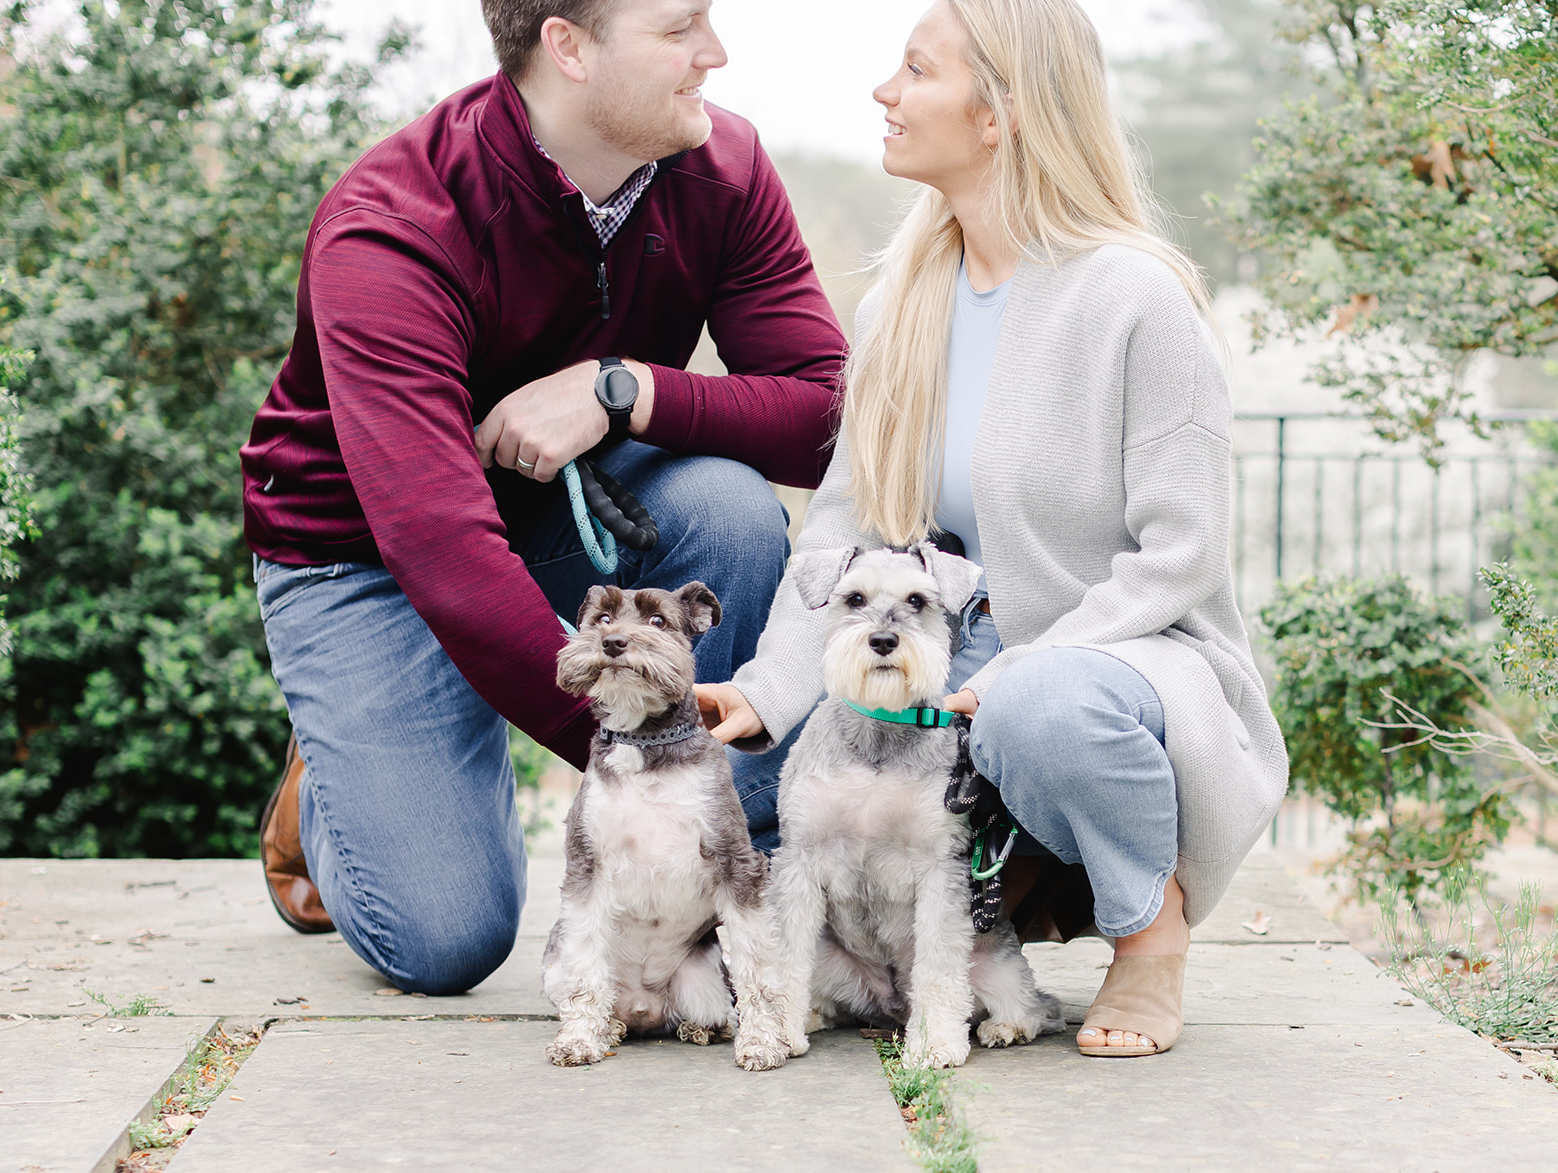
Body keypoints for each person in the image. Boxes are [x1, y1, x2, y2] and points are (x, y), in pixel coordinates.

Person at [696, 0, 1288, 1058]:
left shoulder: (1136, 298)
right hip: (937, 646)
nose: (885, 91)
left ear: (997, 115)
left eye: (916, 70)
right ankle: (966, 924)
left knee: (1038, 707)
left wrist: (1015, 671)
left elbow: (1182, 554)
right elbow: (842, 528)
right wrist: (767, 689)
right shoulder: (900, 302)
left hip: (1120, 659)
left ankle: (1149, 935)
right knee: (742, 804)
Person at [241, 0, 845, 996]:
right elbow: (447, 560)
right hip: (367, 561)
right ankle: (333, 786)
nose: (716, 53)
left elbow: (828, 417)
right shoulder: (391, 227)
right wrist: (653, 775)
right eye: (679, 28)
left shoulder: (722, 167)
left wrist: (627, 388)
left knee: (729, 510)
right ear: (567, 45)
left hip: (564, 515)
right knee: (444, 940)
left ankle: (725, 885)